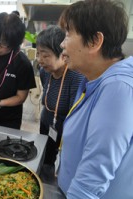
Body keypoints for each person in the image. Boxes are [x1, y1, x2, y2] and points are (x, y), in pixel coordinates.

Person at [57, 0, 133, 198]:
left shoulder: (118, 89)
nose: (62, 44)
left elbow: (93, 176)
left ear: (94, 42)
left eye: (67, 34)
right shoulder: (91, 79)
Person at [36, 25, 84, 184]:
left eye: (45, 55)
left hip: (64, 127)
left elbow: (74, 114)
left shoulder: (75, 77)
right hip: (47, 120)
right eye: (38, 54)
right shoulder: (45, 72)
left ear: (63, 55)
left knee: (57, 159)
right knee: (43, 154)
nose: (40, 60)